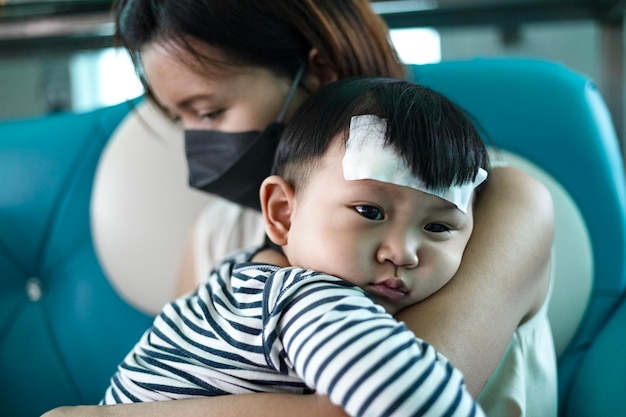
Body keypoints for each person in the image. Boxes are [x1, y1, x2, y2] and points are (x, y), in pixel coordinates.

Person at [42, 0, 555, 416]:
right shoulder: (217, 233)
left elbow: (384, 403)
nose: (199, 143)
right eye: (183, 121)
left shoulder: (496, 200)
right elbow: (180, 382)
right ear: (280, 212)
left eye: (210, 111)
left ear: (318, 70)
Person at [102, 77, 496, 416]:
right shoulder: (304, 299)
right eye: (369, 211)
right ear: (283, 214)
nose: (403, 252)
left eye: (437, 225)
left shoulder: (241, 278)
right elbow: (417, 404)